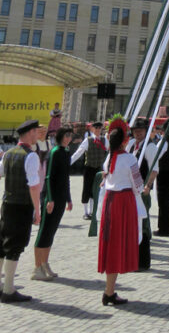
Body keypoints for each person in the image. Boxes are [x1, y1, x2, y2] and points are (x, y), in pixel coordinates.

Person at [97, 117, 145, 306]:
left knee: (111, 243)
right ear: (125, 140)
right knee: (119, 243)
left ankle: (109, 290)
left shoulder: (109, 157)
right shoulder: (129, 158)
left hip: (110, 201)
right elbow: (138, 185)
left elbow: (106, 176)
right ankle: (109, 292)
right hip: (124, 202)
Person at [0, 119, 42, 304]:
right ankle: (9, 289)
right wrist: (37, 210)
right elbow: (34, 186)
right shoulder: (30, 156)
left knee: (2, 243)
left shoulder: (8, 154)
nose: (38, 135)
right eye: (36, 132)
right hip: (22, 206)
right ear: (30, 133)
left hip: (7, 204)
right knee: (15, 245)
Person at [32, 125, 74, 281]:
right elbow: (49, 177)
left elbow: (66, 178)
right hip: (51, 198)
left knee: (51, 232)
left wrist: (69, 198)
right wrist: (49, 199)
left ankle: (45, 263)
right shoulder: (55, 152)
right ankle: (37, 267)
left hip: (61, 198)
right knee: (44, 232)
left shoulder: (66, 152)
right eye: (66, 135)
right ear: (60, 136)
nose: (68, 138)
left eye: (70, 135)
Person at [127, 117, 162, 270]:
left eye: (140, 131)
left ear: (146, 132)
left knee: (143, 225)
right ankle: (133, 258)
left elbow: (154, 169)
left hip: (142, 191)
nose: (137, 133)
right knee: (133, 224)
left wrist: (148, 185)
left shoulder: (150, 147)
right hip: (130, 190)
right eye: (135, 131)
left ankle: (143, 261)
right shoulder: (132, 145)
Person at [70, 120, 107, 219]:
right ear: (92, 129)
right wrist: (68, 163)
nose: (98, 130)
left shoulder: (104, 140)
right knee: (86, 189)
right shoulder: (88, 140)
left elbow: (110, 152)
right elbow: (78, 153)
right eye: (96, 128)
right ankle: (86, 212)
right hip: (89, 168)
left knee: (95, 190)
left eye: (100, 128)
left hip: (99, 169)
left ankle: (92, 212)